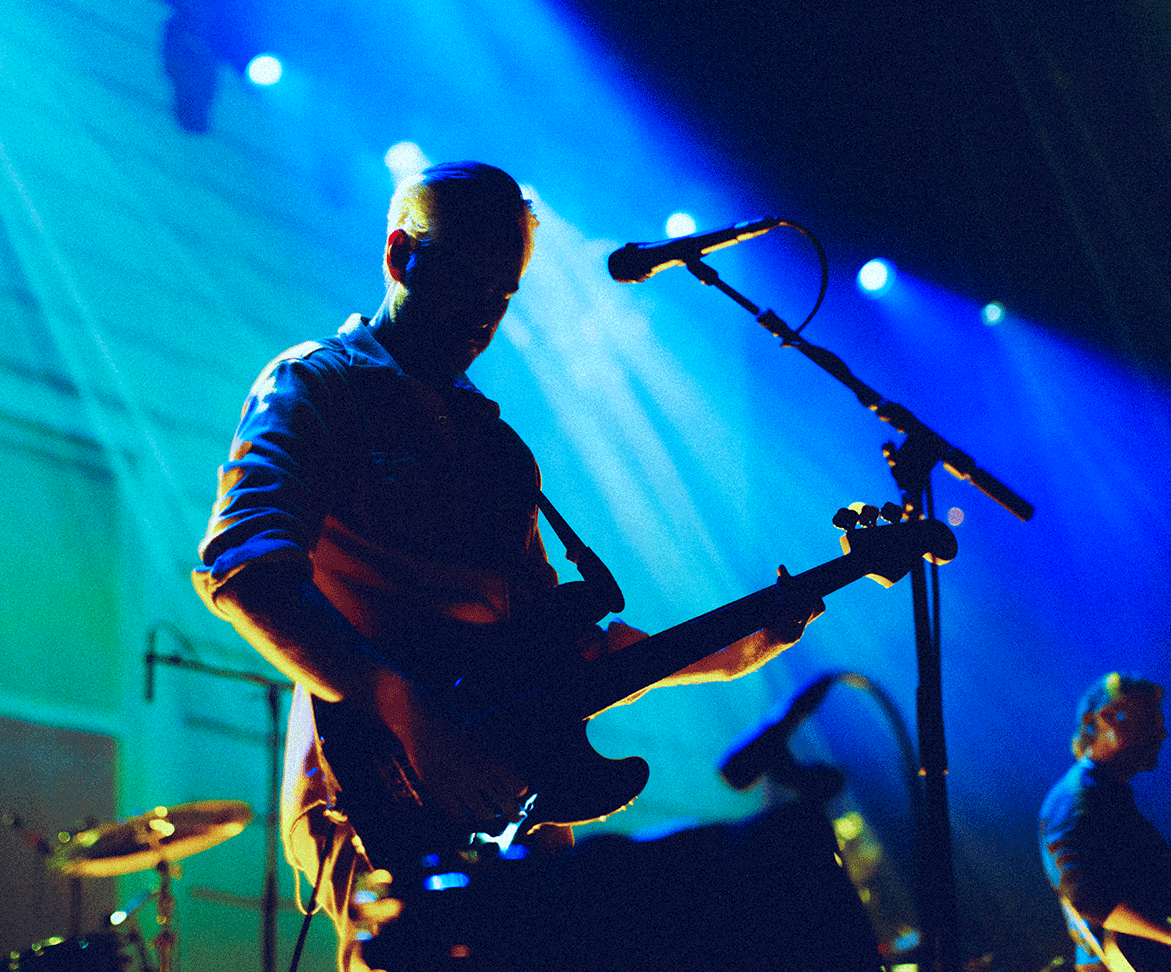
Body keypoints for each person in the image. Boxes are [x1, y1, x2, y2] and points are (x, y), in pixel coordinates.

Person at [192, 161, 820, 970]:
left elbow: (556, 650)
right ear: (400, 255)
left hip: (515, 795)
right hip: (375, 783)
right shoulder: (317, 386)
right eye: (467, 281)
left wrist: (740, 648)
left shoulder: (498, 449)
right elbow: (242, 566)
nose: (486, 314)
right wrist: (412, 713)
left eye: (505, 293)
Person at [1040, 672, 1171, 971]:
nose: (1162, 734)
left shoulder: (1105, 793)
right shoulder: (1077, 798)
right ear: (1101, 720)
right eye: (1149, 721)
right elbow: (1090, 897)